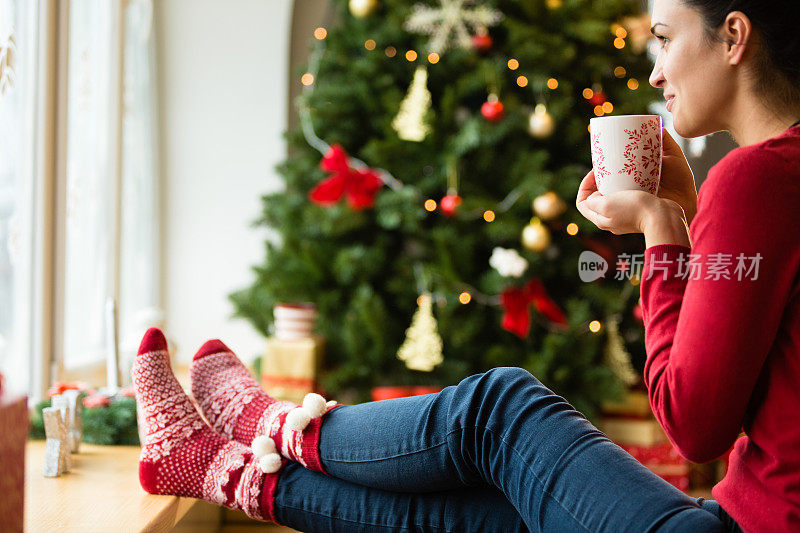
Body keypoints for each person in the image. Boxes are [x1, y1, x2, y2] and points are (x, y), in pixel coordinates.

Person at [132, 0, 800, 530]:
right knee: (491, 512)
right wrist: (682, 218)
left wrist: (660, 229)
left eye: (664, 37)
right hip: (742, 516)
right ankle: (221, 471)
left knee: (500, 408)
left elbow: (693, 422)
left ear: (734, 36)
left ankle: (269, 425)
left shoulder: (758, 178)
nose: (655, 71)